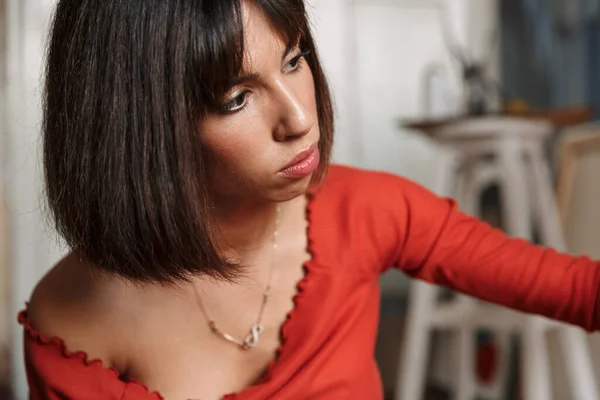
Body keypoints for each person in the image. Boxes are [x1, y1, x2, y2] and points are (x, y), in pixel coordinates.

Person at [19, 0, 600, 399]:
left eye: (293, 60)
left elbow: (577, 291)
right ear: (139, 128)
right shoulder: (72, 322)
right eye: (236, 99)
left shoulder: (368, 209)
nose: (300, 119)